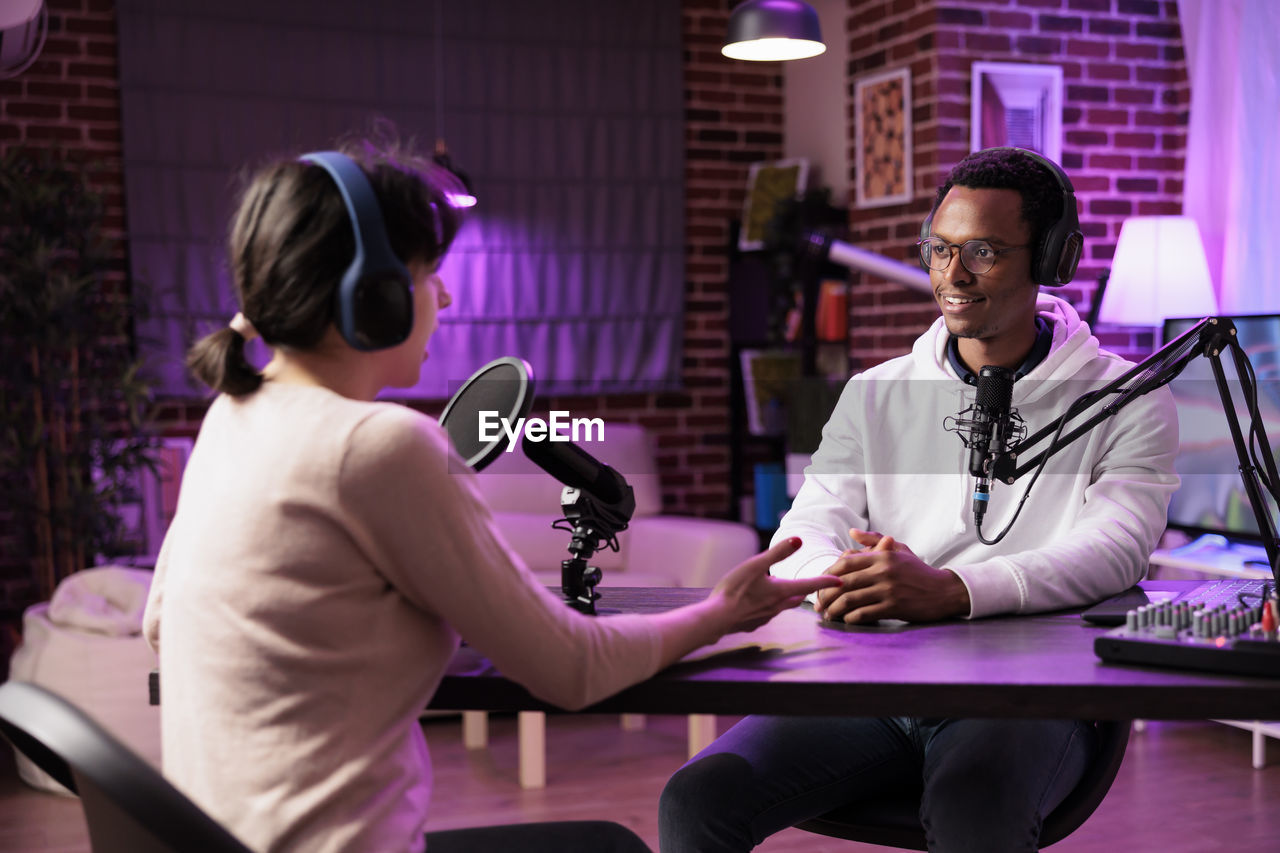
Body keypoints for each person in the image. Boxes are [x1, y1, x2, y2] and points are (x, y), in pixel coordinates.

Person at [140, 133, 842, 853]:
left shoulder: (231, 413)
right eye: (427, 270)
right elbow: (574, 668)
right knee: (611, 847)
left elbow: (164, 617)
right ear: (371, 298)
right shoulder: (383, 443)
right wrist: (719, 612)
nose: (443, 294)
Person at [658, 147, 1180, 852]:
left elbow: (1118, 549)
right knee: (698, 796)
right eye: (939, 250)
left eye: (984, 252)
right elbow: (804, 531)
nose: (951, 276)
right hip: (870, 685)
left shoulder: (1127, 398)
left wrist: (952, 590)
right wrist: (840, 580)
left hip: (1028, 696)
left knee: (975, 806)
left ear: (1054, 258)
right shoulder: (875, 392)